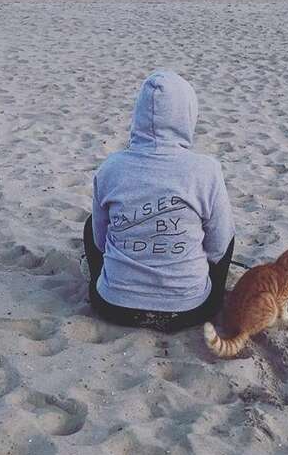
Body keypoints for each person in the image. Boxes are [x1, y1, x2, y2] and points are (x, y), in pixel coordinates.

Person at [82, 70, 235, 332]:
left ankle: (114, 281)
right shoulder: (205, 170)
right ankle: (197, 288)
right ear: (188, 114)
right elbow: (219, 247)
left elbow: (98, 240)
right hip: (190, 310)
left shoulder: (112, 167)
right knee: (227, 231)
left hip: (113, 306)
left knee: (91, 224)